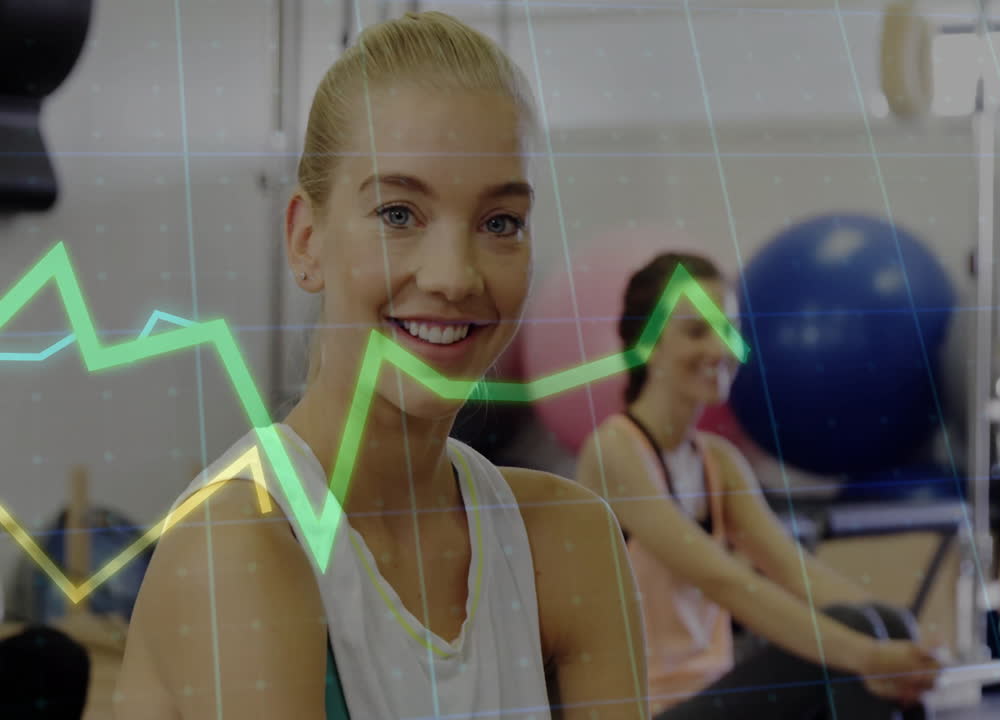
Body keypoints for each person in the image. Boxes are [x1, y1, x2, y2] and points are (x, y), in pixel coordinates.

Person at [114, 12, 647, 720]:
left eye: (499, 223)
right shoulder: (240, 549)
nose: (454, 277)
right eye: (399, 214)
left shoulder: (569, 539)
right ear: (306, 240)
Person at [576, 252, 941, 719]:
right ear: (646, 344)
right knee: (860, 641)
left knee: (884, 623)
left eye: (726, 328)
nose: (719, 349)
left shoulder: (719, 462)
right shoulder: (615, 452)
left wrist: (901, 640)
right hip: (649, 709)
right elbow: (724, 581)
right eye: (695, 331)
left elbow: (795, 571)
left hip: (716, 694)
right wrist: (866, 654)